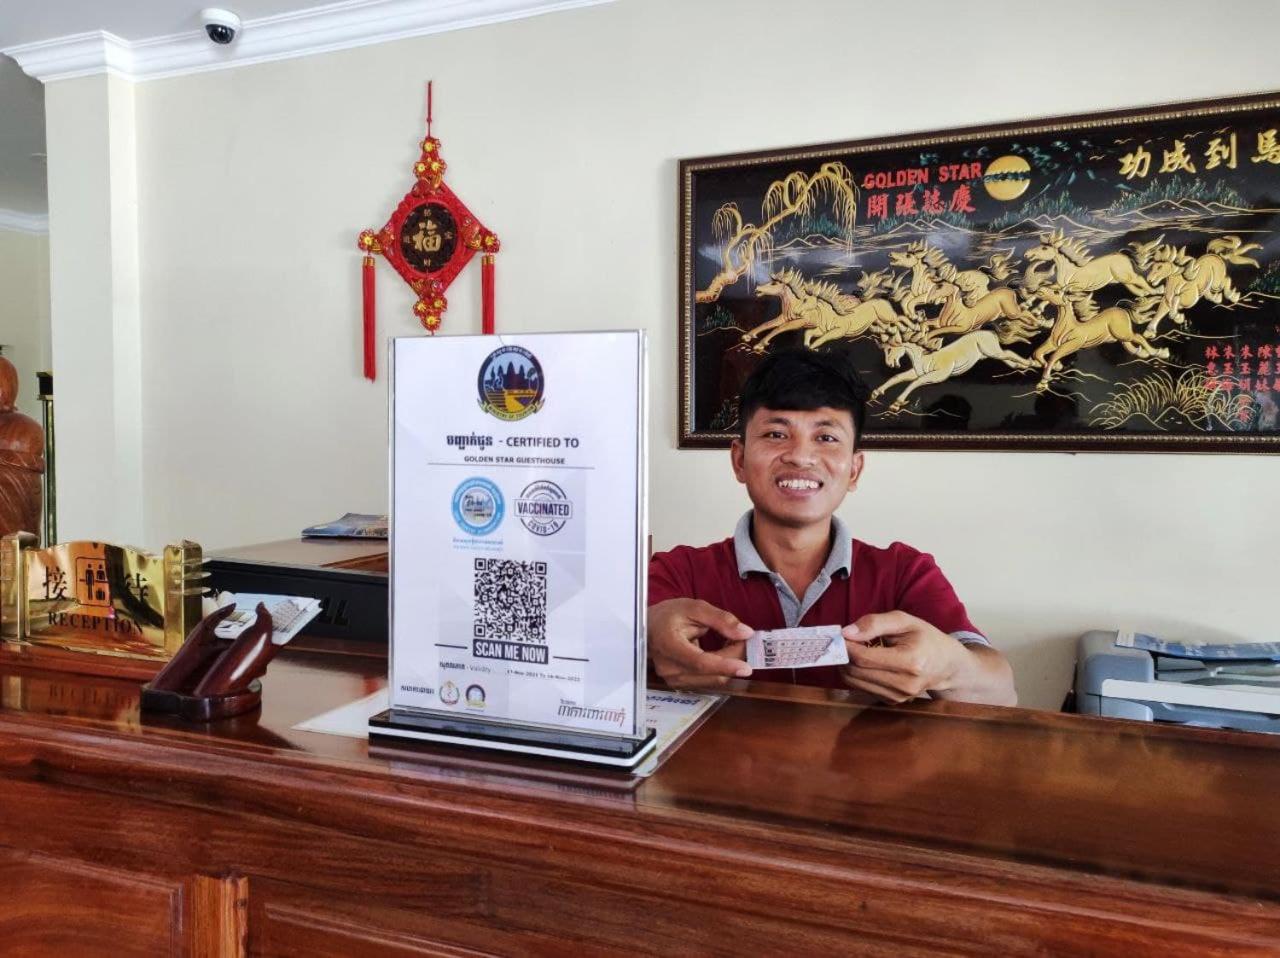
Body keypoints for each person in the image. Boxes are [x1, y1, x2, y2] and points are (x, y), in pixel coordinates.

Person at [648, 346, 1016, 706]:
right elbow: (618, 649)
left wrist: (948, 668)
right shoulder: (678, 572)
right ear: (739, 460)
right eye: (776, 434)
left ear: (854, 469)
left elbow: (1001, 693)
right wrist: (648, 635)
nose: (800, 457)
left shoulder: (905, 573)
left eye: (826, 438)